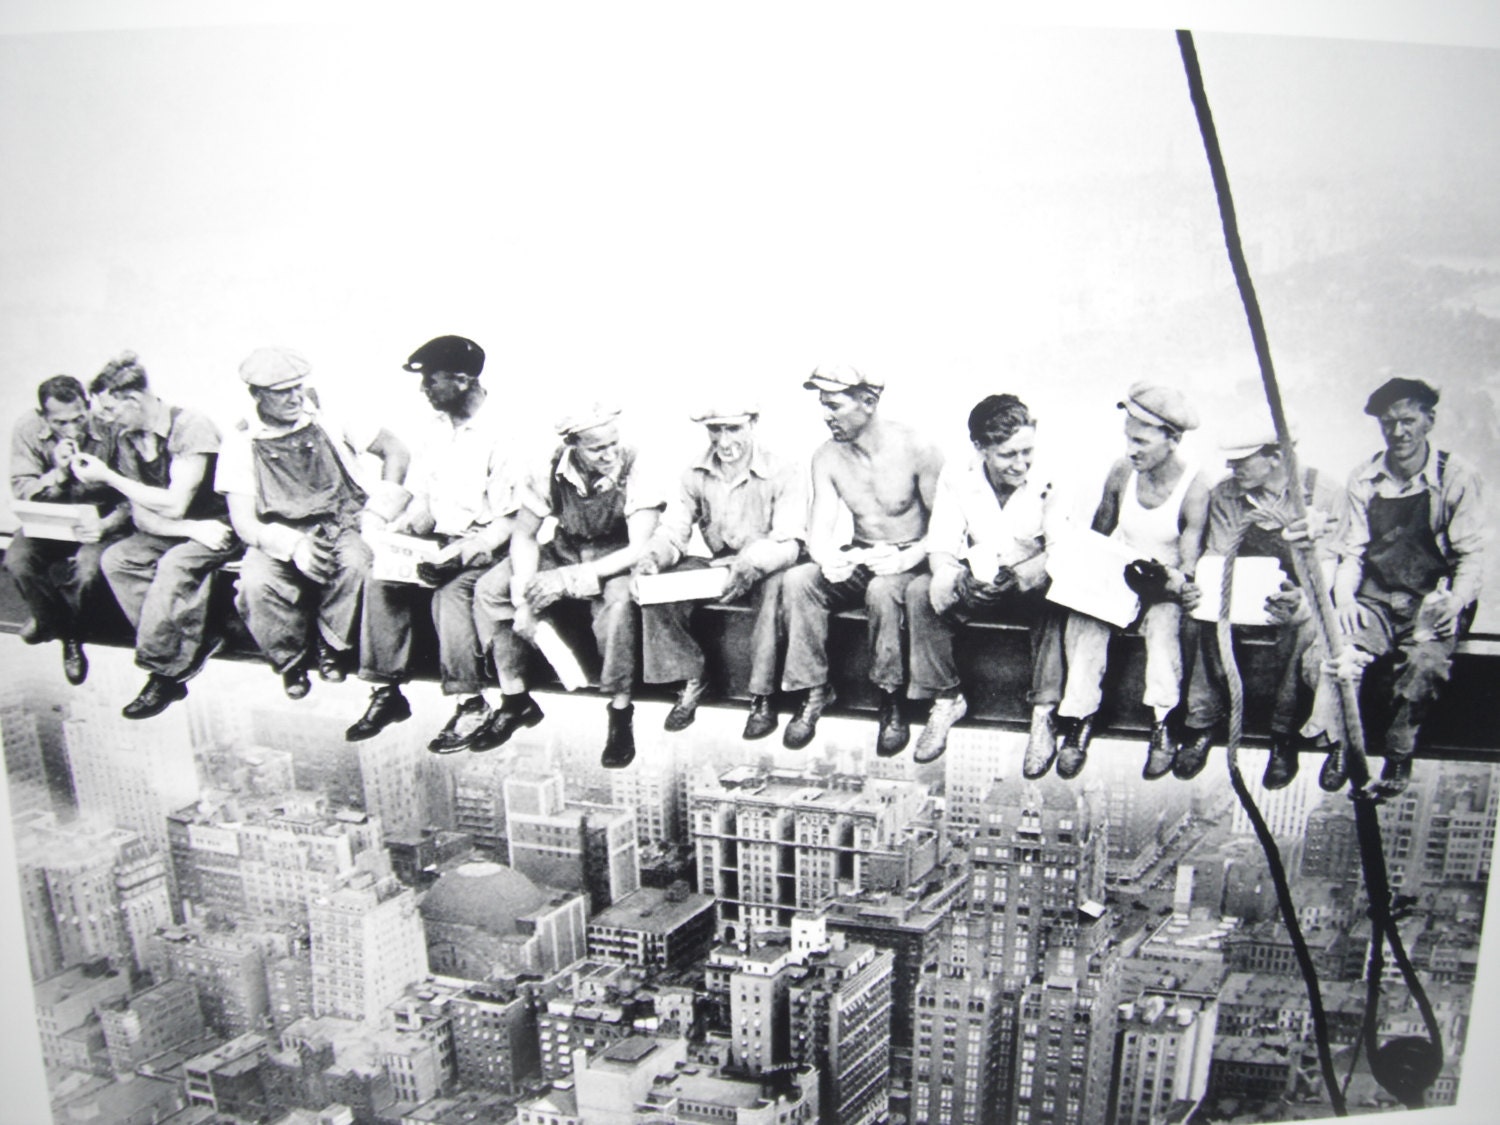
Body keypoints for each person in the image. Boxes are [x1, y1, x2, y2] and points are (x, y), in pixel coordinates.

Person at [1309, 377, 1484, 797]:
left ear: (1429, 421)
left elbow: (1472, 555)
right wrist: (1347, 598)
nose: (1398, 432)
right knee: (1340, 654)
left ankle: (1398, 753)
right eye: (1389, 424)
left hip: (1432, 600)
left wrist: (1455, 602)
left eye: (1408, 421)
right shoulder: (1365, 478)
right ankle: (1341, 744)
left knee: (1424, 665)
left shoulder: (1456, 476)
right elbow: (1353, 552)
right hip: (1376, 597)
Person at [470, 405, 665, 768]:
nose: (609, 454)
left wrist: (564, 581)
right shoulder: (548, 466)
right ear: (573, 444)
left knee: (619, 607)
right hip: (567, 547)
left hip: (616, 555)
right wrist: (525, 602)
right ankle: (515, 699)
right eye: (597, 448)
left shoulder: (637, 464)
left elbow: (637, 547)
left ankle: (620, 712)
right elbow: (525, 536)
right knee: (491, 589)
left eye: (613, 443)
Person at [346, 335, 515, 751]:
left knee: (449, 595)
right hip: (439, 541)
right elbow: (423, 500)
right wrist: (401, 532)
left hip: (488, 547)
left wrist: (462, 553)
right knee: (380, 580)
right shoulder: (435, 430)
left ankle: (470, 702)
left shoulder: (504, 433)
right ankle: (386, 692)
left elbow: (507, 522)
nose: (425, 391)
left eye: (432, 382)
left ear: (461, 380)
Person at [216, 347, 410, 699]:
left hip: (342, 523)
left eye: (297, 388)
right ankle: (290, 661)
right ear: (257, 395)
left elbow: (396, 451)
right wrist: (292, 546)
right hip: (278, 533)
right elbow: (244, 523)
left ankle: (332, 645)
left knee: (357, 566)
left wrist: (379, 511)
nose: (294, 398)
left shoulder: (330, 417)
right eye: (281, 392)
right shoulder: (241, 441)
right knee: (254, 585)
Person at [780, 365, 944, 755]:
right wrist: (827, 557)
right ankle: (814, 689)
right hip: (863, 552)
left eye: (834, 405)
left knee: (883, 591)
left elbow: (947, 529)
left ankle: (891, 699)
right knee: (799, 580)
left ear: (868, 403)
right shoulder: (826, 456)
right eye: (823, 405)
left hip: (912, 557)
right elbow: (819, 526)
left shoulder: (918, 448)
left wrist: (908, 559)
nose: (825, 415)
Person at [71, 352, 242, 718]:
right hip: (185, 528)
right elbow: (143, 514)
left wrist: (109, 477)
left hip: (221, 526)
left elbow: (174, 503)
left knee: (175, 565)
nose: (107, 420)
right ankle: (192, 642)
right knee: (117, 559)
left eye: (111, 410)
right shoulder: (128, 436)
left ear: (132, 401)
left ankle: (163, 674)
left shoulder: (191, 427)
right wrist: (188, 529)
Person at [1053, 383, 1209, 780]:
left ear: (1171, 440)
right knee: (1085, 622)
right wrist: (1086, 580)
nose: (1130, 449)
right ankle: (1080, 718)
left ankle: (1163, 721)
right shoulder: (1123, 472)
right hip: (1120, 575)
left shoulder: (1194, 487)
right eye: (1127, 438)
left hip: (1162, 585)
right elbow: (1100, 534)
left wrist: (1171, 580)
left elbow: (1188, 566)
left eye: (1141, 441)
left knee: (1163, 629)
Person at [1177, 422, 1344, 788]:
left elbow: (1327, 567)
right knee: (1202, 618)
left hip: (1298, 596)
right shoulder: (1226, 494)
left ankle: (1282, 736)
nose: (1233, 470)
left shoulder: (1323, 493)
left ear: (1276, 457)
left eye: (1243, 462)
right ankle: (1202, 722)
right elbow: (1218, 555)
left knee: (1303, 629)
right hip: (1240, 593)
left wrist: (1301, 597)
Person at [906, 393, 1065, 769]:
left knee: (1057, 597)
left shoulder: (1053, 474)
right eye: (1008, 455)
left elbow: (1063, 548)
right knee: (919, 592)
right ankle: (946, 699)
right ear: (980, 448)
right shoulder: (958, 475)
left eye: (1026, 452)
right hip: (982, 575)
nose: (1021, 463)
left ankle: (1044, 713)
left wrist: (1024, 575)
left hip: (1034, 576)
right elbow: (942, 545)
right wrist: (957, 579)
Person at [634, 401, 806, 739]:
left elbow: (791, 541)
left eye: (734, 428)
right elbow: (674, 531)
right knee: (659, 588)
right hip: (722, 563)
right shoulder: (694, 474)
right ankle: (691, 676)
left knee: (773, 593)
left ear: (753, 423)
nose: (724, 441)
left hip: (769, 562)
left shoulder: (785, 470)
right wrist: (652, 558)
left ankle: (762, 695)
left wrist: (753, 563)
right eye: (716, 430)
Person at [6, 375, 131, 684]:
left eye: (78, 418)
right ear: (44, 417)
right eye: (61, 423)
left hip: (101, 520)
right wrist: (58, 475)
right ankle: (60, 626)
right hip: (51, 517)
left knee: (88, 571)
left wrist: (106, 525)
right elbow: (23, 491)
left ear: (87, 405)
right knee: (17, 562)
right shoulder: (27, 429)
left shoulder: (111, 426)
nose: (73, 429)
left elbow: (133, 493)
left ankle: (64, 634)